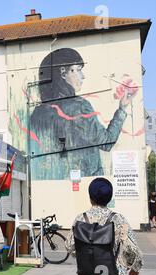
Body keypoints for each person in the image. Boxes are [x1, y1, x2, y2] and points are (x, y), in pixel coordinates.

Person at [30, 48, 137, 180]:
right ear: (63, 72)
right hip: (85, 185)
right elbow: (107, 142)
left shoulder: (37, 113)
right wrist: (122, 109)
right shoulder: (79, 107)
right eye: (78, 69)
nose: (83, 76)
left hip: (51, 185)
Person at [65, 178, 143, 275]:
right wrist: (135, 267)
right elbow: (132, 250)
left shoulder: (80, 219)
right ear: (109, 197)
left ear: (90, 197)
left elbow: (70, 246)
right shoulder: (118, 219)